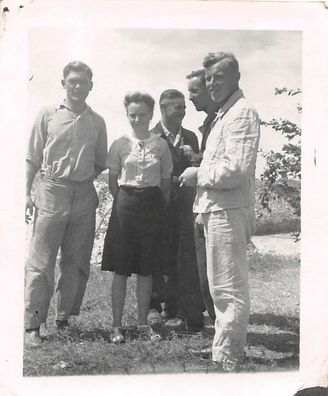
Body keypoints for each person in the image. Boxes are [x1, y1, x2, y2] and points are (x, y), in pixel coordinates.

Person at [179, 52, 260, 371]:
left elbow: (236, 171)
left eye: (219, 77)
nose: (212, 83)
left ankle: (228, 357)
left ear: (236, 78)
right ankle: (222, 349)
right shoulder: (225, 114)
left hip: (229, 210)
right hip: (216, 209)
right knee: (218, 286)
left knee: (228, 288)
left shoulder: (242, 113)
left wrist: (197, 173)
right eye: (209, 77)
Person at [24, 61, 108, 347]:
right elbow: (32, 157)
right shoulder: (47, 115)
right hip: (51, 190)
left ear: (90, 86)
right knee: (41, 261)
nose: (77, 86)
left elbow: (99, 161)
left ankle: (63, 319)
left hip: (83, 194)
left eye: (83, 82)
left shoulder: (97, 121)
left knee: (76, 262)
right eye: (72, 81)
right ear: (63, 83)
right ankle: (33, 325)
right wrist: (26, 192)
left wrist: (80, 180)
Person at [101, 92, 172, 343]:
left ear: (151, 114)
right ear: (127, 115)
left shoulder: (161, 145)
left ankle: (143, 324)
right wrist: (126, 201)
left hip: (152, 207)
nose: (137, 119)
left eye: (142, 114)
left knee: (146, 270)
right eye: (133, 115)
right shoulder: (120, 143)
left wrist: (153, 207)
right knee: (120, 270)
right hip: (126, 206)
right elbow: (112, 181)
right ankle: (116, 326)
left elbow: (165, 184)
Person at [148, 89, 205, 332]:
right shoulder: (150, 136)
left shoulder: (191, 136)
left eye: (184, 107)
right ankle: (153, 307)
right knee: (157, 255)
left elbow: (201, 165)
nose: (183, 111)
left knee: (183, 257)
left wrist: (196, 157)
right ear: (163, 108)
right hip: (158, 206)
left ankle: (178, 307)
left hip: (184, 207)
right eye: (177, 107)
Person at [186, 68, 219, 322]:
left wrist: (196, 167)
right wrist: (197, 158)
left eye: (195, 91)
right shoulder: (211, 122)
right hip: (205, 204)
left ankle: (223, 337)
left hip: (215, 207)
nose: (190, 97)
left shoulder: (219, 121)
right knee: (204, 271)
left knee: (213, 274)